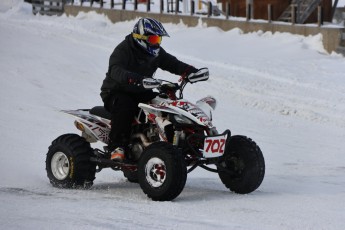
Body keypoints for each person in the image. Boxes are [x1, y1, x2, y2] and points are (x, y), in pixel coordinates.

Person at [100, 17, 202, 161]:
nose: (157, 43)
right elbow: (115, 71)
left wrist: (191, 71)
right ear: (141, 38)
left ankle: (173, 141)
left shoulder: (155, 52)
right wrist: (136, 79)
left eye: (158, 39)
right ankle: (117, 146)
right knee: (126, 105)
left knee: (163, 104)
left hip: (142, 91)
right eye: (154, 39)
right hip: (116, 91)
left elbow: (172, 63)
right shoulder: (123, 50)